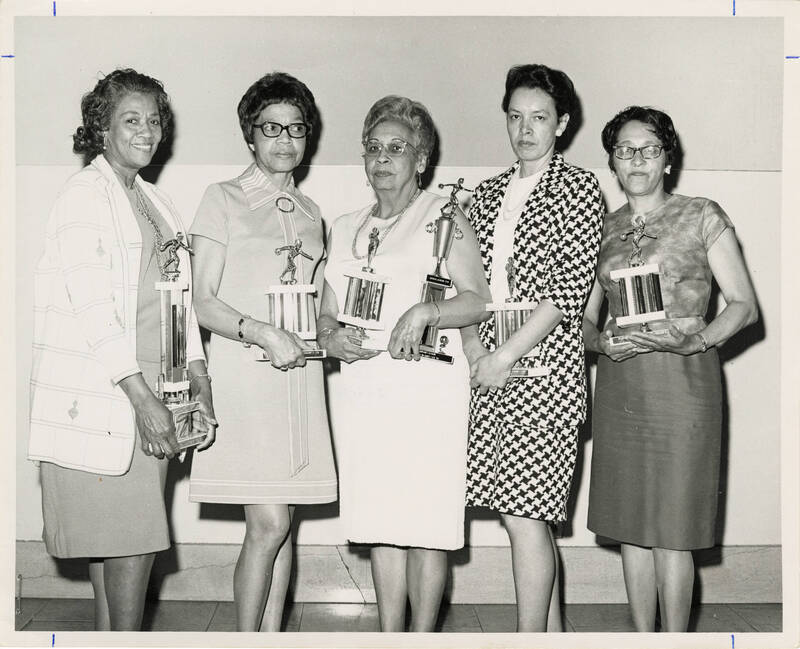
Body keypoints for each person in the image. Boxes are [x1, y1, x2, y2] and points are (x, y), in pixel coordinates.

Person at [27, 68, 216, 631]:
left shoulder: (155, 200)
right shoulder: (83, 196)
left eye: (155, 120)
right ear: (101, 129)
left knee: (123, 548)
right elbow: (92, 311)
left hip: (159, 387)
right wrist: (142, 400)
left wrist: (200, 374)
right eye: (131, 120)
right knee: (131, 545)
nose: (147, 131)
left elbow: (177, 300)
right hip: (112, 394)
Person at [318, 95, 491, 631]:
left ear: (421, 159)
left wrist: (425, 311)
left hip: (427, 390)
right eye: (374, 148)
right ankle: (390, 635)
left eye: (398, 148)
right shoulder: (345, 224)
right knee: (381, 521)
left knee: (425, 522)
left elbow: (477, 300)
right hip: (365, 389)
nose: (383, 159)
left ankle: (422, 637)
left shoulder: (443, 215)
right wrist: (331, 337)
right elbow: (325, 310)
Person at [584, 106, 758, 632]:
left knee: (673, 528)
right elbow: (585, 321)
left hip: (684, 385)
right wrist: (601, 344)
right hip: (622, 386)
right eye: (624, 150)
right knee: (632, 526)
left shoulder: (702, 213)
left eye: (649, 149)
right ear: (612, 162)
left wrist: (693, 340)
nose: (636, 159)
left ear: (668, 159)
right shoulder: (604, 228)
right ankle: (643, 638)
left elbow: (743, 305)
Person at [187, 72, 337, 632]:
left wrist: (332, 331)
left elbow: (318, 301)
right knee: (269, 524)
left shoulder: (310, 211)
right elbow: (202, 301)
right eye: (270, 128)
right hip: (245, 374)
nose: (284, 140)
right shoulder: (221, 198)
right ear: (250, 135)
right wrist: (261, 333)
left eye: (296, 129)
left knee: (285, 521)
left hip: (298, 379)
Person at [464, 64, 605, 632]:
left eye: (539, 118)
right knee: (520, 517)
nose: (525, 129)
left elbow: (566, 290)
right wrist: (479, 352)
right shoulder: (488, 192)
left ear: (562, 124)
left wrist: (504, 355)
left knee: (526, 516)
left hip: (543, 371)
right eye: (515, 117)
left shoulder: (579, 188)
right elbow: (467, 285)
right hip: (491, 366)